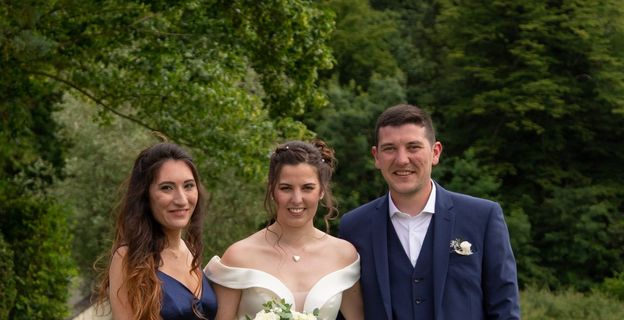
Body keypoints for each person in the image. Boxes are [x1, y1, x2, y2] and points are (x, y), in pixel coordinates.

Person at [339, 104, 520, 320]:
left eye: (413, 147)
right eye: (390, 149)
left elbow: (504, 308)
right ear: (376, 156)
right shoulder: (353, 226)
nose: (402, 159)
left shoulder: (483, 217)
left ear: (435, 152)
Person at [204, 139, 363, 320]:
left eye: (307, 188)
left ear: (321, 191)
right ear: (272, 190)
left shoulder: (343, 255)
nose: (296, 199)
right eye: (286, 188)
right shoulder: (238, 256)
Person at [95, 142, 217, 320]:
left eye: (189, 186)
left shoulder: (189, 250)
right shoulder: (128, 258)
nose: (181, 200)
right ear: (145, 196)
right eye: (166, 187)